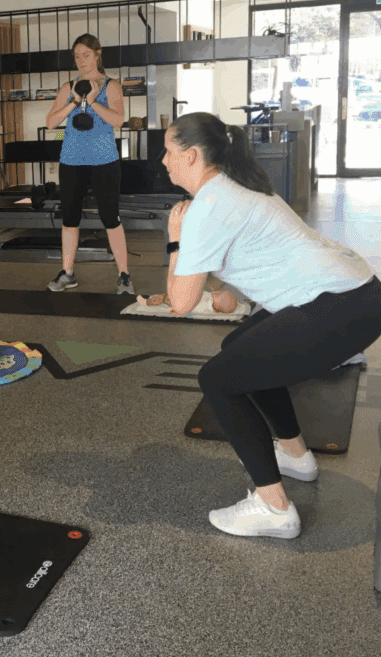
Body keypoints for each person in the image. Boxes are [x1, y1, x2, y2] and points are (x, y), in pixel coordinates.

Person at [161, 111, 381, 538]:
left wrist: (175, 239)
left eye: (168, 152)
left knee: (218, 379)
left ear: (190, 156)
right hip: (361, 294)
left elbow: (180, 303)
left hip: (341, 306)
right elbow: (273, 249)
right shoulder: (241, 185)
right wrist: (239, 296)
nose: (162, 161)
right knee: (241, 348)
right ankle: (296, 455)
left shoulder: (206, 206)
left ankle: (274, 507)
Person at [45, 33, 133, 294]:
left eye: (86, 55)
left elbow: (118, 121)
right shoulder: (68, 87)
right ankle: (67, 273)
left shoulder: (111, 86)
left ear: (97, 54)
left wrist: (93, 100)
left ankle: (124, 276)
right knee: (69, 219)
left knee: (110, 218)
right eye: (77, 56)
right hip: (71, 161)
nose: (82, 60)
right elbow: (51, 122)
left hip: (104, 161)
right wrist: (74, 101)